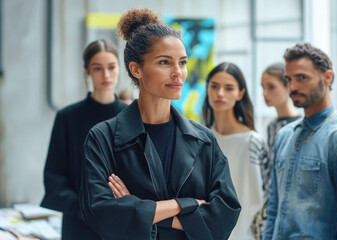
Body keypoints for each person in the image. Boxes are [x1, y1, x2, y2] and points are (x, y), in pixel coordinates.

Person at [79, 8, 241, 240]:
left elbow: (225, 216)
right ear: (137, 69)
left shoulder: (204, 140)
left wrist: (140, 210)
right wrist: (185, 205)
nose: (178, 73)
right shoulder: (102, 137)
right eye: (165, 62)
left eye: (182, 62)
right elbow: (100, 213)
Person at [263, 43, 337, 239]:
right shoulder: (284, 136)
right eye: (289, 79)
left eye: (302, 78)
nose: (293, 87)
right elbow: (273, 210)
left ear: (327, 77)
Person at [41, 39, 127, 239]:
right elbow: (54, 177)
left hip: (120, 223)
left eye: (111, 67)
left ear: (119, 69)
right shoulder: (67, 118)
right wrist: (85, 208)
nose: (106, 75)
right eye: (97, 68)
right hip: (78, 225)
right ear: (87, 71)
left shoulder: (132, 117)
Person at [202, 62, 267, 240]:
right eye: (214, 86)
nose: (220, 94)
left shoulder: (254, 142)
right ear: (207, 88)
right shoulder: (199, 140)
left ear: (240, 93)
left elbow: (266, 199)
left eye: (228, 88)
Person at [251, 63, 301, 239]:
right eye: (263, 87)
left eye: (271, 87)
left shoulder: (300, 125)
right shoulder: (271, 125)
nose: (265, 93)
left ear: (288, 87)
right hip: (271, 203)